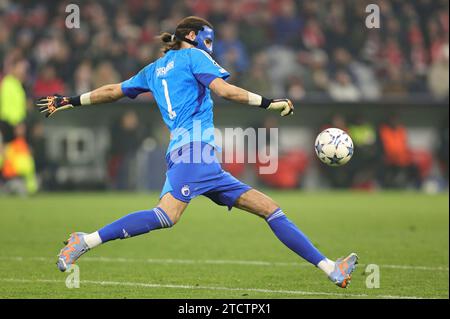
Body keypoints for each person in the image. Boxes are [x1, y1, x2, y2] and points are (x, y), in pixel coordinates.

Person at [37, 16, 358, 288]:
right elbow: (224, 90)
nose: (211, 45)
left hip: (195, 158)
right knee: (166, 216)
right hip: (194, 155)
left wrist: (70, 100)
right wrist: (268, 103)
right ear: (191, 36)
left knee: (270, 209)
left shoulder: (153, 69)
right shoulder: (194, 57)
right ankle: (86, 240)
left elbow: (112, 91)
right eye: (209, 38)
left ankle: (331, 268)